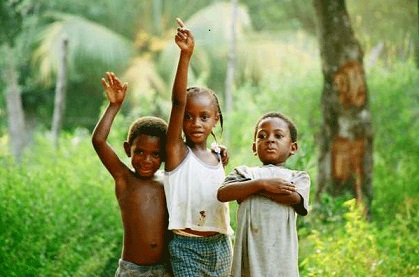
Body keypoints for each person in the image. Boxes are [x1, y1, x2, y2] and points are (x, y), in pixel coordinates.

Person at [164, 18, 234, 277]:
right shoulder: (177, 153)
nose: (195, 123)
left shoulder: (217, 155)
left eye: (204, 117)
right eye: (189, 116)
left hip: (222, 245)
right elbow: (177, 103)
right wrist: (186, 55)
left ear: (215, 119)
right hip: (187, 247)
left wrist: (221, 151)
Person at [92, 72, 171, 277]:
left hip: (167, 268)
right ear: (128, 149)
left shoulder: (169, 179)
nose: (146, 160)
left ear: (164, 155)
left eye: (155, 154)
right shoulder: (124, 178)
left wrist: (219, 153)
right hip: (133, 270)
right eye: (140, 152)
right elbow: (99, 141)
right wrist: (114, 106)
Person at [217, 112, 311, 277]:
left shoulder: (298, 177)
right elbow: (223, 193)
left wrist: (256, 190)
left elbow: (295, 198)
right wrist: (262, 184)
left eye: (278, 136)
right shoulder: (244, 173)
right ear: (254, 147)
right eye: (262, 136)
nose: (270, 140)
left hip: (281, 256)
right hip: (250, 253)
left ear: (293, 147)